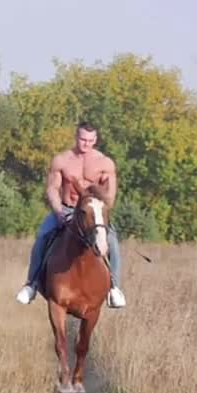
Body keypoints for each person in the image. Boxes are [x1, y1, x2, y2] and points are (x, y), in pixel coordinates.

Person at [16, 121, 125, 308]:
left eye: (90, 140)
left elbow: (110, 197)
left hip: (92, 213)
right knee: (42, 237)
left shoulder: (105, 163)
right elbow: (52, 188)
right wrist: (59, 212)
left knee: (112, 242)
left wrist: (98, 205)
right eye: (83, 139)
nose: (86, 144)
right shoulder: (62, 160)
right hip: (66, 209)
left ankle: (114, 288)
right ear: (76, 137)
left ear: (95, 140)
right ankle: (31, 284)